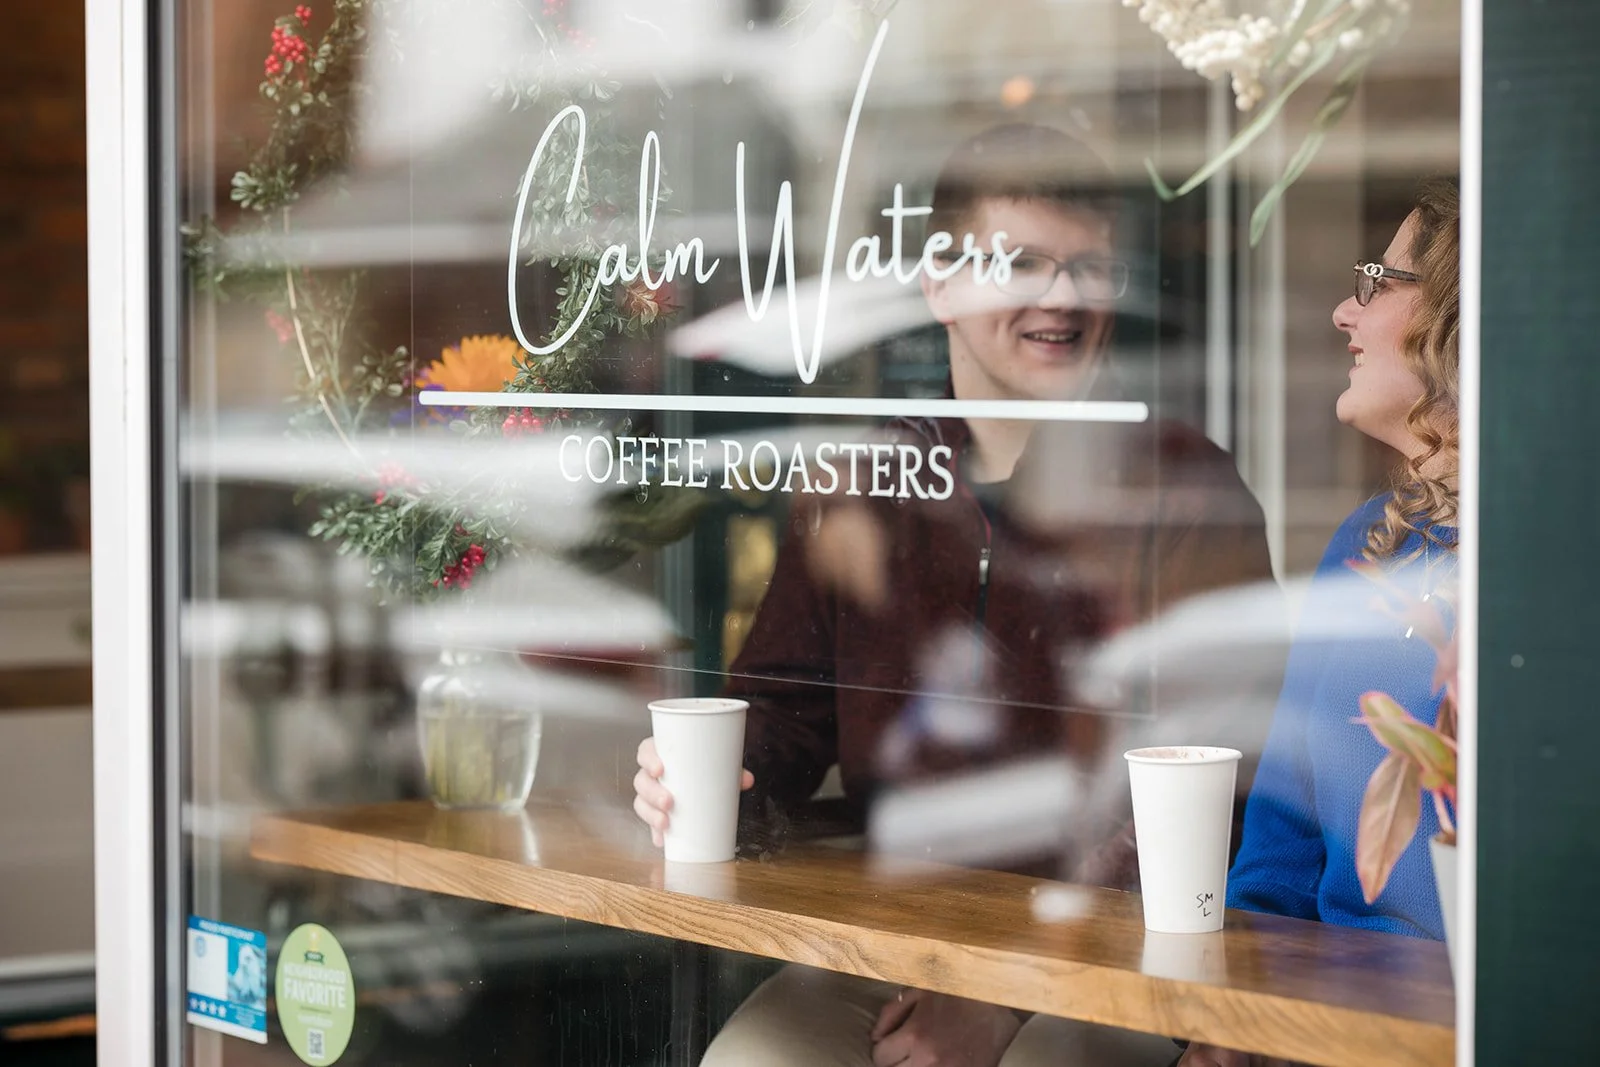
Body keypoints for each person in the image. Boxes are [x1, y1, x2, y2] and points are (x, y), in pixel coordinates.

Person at [634, 123, 1280, 1067]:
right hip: (888, 940)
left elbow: (1216, 789)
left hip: (1116, 953)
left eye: (1088, 269)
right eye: (1021, 264)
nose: (1061, 299)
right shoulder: (862, 480)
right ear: (939, 281)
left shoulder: (1186, 487)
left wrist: (1007, 994)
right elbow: (781, 714)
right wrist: (711, 787)